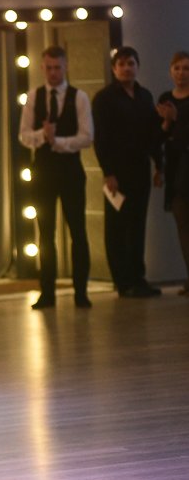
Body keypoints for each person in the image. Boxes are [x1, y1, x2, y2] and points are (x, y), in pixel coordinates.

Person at [18, 46, 94, 309]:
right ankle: (47, 292)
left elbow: (87, 136)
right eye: (49, 68)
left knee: (78, 231)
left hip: (71, 171)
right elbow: (23, 135)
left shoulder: (79, 97)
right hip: (43, 171)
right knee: (45, 233)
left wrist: (58, 141)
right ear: (42, 68)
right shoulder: (33, 96)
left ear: (66, 67)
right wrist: (43, 135)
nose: (53, 72)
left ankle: (81, 292)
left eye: (57, 67)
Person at [93, 46, 165, 298]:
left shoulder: (145, 96)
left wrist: (159, 165)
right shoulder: (104, 98)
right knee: (118, 226)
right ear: (114, 69)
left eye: (131, 63)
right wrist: (108, 172)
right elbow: (101, 139)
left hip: (140, 168)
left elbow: (152, 134)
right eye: (121, 64)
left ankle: (138, 278)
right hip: (117, 170)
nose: (126, 68)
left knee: (137, 224)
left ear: (137, 66)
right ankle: (123, 282)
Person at [157, 51, 189, 295]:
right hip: (176, 169)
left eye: (186, 68)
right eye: (177, 68)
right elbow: (160, 136)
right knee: (183, 226)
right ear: (170, 71)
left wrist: (177, 120)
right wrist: (167, 122)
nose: (181, 73)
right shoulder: (166, 99)